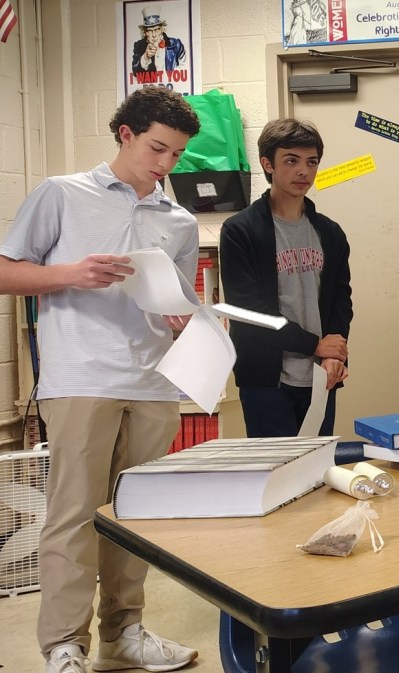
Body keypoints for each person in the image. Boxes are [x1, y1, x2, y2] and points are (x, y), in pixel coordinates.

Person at [0, 87, 201, 673]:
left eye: (177, 156)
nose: (165, 165)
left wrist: (184, 316)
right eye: (158, 148)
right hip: (81, 375)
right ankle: (65, 645)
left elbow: (180, 300)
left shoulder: (180, 220)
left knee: (133, 517)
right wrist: (69, 273)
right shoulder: (62, 194)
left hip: (154, 382)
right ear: (126, 134)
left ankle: (124, 634)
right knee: (75, 516)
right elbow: (7, 270)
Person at [220, 119, 352, 438]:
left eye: (311, 162)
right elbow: (249, 311)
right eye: (291, 161)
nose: (303, 171)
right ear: (268, 164)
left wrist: (334, 352)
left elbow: (340, 300)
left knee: (317, 474)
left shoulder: (330, 232)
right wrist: (315, 345)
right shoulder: (241, 230)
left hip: (320, 375)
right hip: (265, 380)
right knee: (277, 478)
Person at [131, 5, 186, 74]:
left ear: (162, 29)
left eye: (156, 29)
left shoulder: (176, 44)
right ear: (145, 32)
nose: (154, 35)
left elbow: (184, 68)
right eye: (150, 31)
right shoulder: (139, 46)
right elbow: (135, 72)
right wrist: (146, 57)